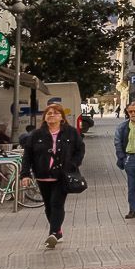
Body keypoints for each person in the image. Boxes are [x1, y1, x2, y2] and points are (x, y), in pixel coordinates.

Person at [24, 100, 85, 244]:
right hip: (42, 176)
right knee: (48, 206)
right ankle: (58, 231)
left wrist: (73, 164)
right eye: (49, 113)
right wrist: (25, 174)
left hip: (61, 176)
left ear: (62, 117)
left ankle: (53, 233)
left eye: (56, 113)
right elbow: (27, 155)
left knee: (56, 203)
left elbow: (80, 150)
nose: (52, 115)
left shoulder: (70, 133)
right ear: (44, 117)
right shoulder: (36, 135)